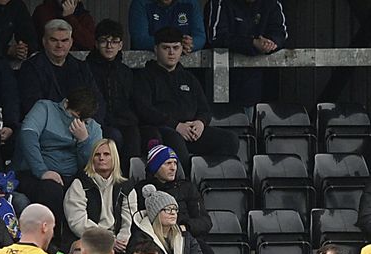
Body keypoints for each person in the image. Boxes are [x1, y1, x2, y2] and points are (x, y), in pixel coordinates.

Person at [133, 27, 239, 172]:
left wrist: (200, 123)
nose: (171, 52)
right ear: (156, 49)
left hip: (192, 131)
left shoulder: (189, 78)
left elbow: (205, 109)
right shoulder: (144, 77)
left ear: (181, 49)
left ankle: (209, 181)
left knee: (230, 140)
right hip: (165, 130)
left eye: (176, 48)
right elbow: (144, 110)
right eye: (166, 48)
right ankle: (187, 185)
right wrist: (176, 126)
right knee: (175, 142)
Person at [13, 86, 102, 246]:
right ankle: (51, 243)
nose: (77, 122)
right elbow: (27, 136)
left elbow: (91, 165)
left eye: (83, 120)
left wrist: (84, 141)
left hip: (72, 175)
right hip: (35, 173)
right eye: (74, 116)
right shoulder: (45, 108)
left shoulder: (93, 128)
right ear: (66, 104)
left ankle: (80, 245)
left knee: (88, 190)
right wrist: (42, 171)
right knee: (51, 189)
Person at [63, 138, 137, 254]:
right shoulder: (80, 184)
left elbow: (129, 220)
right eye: (97, 155)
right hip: (88, 240)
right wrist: (107, 241)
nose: (101, 158)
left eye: (106, 154)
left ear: (114, 157)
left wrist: (122, 239)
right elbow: (77, 222)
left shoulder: (126, 187)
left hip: (118, 243)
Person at [17, 19, 104, 123]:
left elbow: (97, 100)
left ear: (71, 42)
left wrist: (89, 124)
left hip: (81, 124)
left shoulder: (82, 67)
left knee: (113, 134)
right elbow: (32, 106)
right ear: (44, 42)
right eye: (54, 40)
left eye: (64, 40)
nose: (59, 45)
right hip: (46, 127)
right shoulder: (31, 68)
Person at [140, 143, 214, 254]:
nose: (173, 167)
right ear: (155, 167)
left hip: (187, 239)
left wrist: (185, 227)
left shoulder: (187, 187)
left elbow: (205, 222)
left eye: (175, 163)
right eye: (168, 163)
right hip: (156, 241)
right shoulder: (142, 190)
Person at [205, 0, 287, 107]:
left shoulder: (272, 3)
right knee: (225, 118)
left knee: (263, 117)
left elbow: (280, 33)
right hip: (224, 78)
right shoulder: (220, 3)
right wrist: (252, 43)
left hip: (262, 80)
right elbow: (216, 37)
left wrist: (270, 43)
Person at [86, 20, 140, 165]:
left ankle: (130, 181)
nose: (109, 46)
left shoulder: (125, 71)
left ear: (121, 45)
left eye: (114, 41)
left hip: (124, 121)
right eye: (104, 41)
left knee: (134, 134)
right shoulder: (86, 69)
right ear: (96, 44)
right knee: (113, 136)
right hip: (98, 122)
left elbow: (131, 102)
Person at [129, 0, 206, 53]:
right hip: (149, 68)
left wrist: (189, 44)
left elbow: (200, 37)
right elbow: (139, 40)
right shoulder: (140, 3)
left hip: (187, 69)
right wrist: (174, 44)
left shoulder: (190, 3)